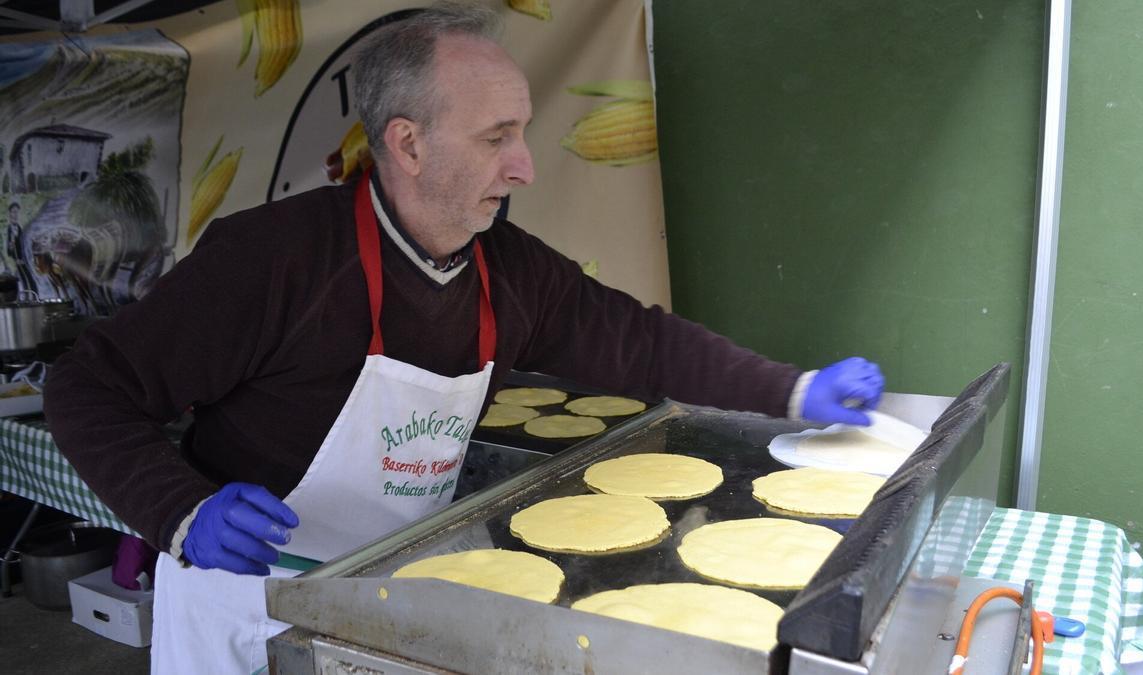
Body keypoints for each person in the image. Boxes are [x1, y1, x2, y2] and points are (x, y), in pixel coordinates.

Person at [43, 3, 885, 673]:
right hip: (245, 596)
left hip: (399, 592)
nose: (523, 165)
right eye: (496, 138)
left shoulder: (508, 270)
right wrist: (181, 509)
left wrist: (792, 390)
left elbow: (639, 342)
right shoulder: (272, 260)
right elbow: (87, 387)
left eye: (520, 132)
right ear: (408, 143)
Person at [6, 202, 35, 292]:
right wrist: (12, 248)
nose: (15, 215)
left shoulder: (19, 228)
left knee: (28, 279)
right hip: (17, 260)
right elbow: (9, 250)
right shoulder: (9, 229)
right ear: (10, 213)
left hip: (23, 259)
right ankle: (29, 296)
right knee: (24, 279)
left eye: (17, 212)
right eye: (13, 212)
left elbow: (23, 244)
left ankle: (32, 295)